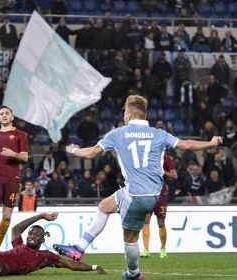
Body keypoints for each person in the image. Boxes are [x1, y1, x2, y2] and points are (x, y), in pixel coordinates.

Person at [52, 95, 224, 280]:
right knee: (104, 206)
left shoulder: (117, 134)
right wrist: (211, 143)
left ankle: (133, 274)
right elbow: (186, 144)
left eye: (125, 112)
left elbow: (91, 153)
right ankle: (78, 248)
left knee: (130, 239)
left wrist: (74, 150)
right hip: (150, 194)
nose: (124, 115)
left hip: (135, 195)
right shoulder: (159, 134)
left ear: (130, 113)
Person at [0, 106, 29, 250]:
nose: (4, 115)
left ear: (12, 117)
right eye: (1, 113)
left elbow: (25, 157)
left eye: (7, 113)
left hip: (11, 179)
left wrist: (13, 154)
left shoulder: (20, 135)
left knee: (7, 216)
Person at [141, 154, 177, 259]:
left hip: (161, 194)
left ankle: (162, 249)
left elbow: (174, 175)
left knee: (161, 223)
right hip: (147, 193)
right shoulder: (146, 158)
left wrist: (161, 171)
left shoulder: (167, 158)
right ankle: (146, 249)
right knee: (146, 220)